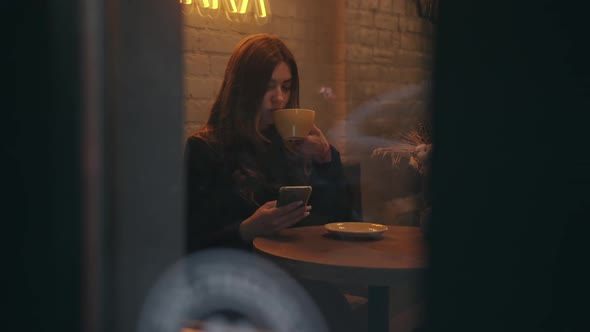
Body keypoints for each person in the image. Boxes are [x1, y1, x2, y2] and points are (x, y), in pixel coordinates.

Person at [184, 34, 356, 331]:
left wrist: (326, 160)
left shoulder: (291, 147)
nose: (279, 97)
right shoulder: (206, 149)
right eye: (268, 86)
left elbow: (338, 219)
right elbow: (190, 242)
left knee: (329, 305)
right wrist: (247, 229)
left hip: (294, 276)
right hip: (233, 282)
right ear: (244, 88)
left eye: (286, 87)